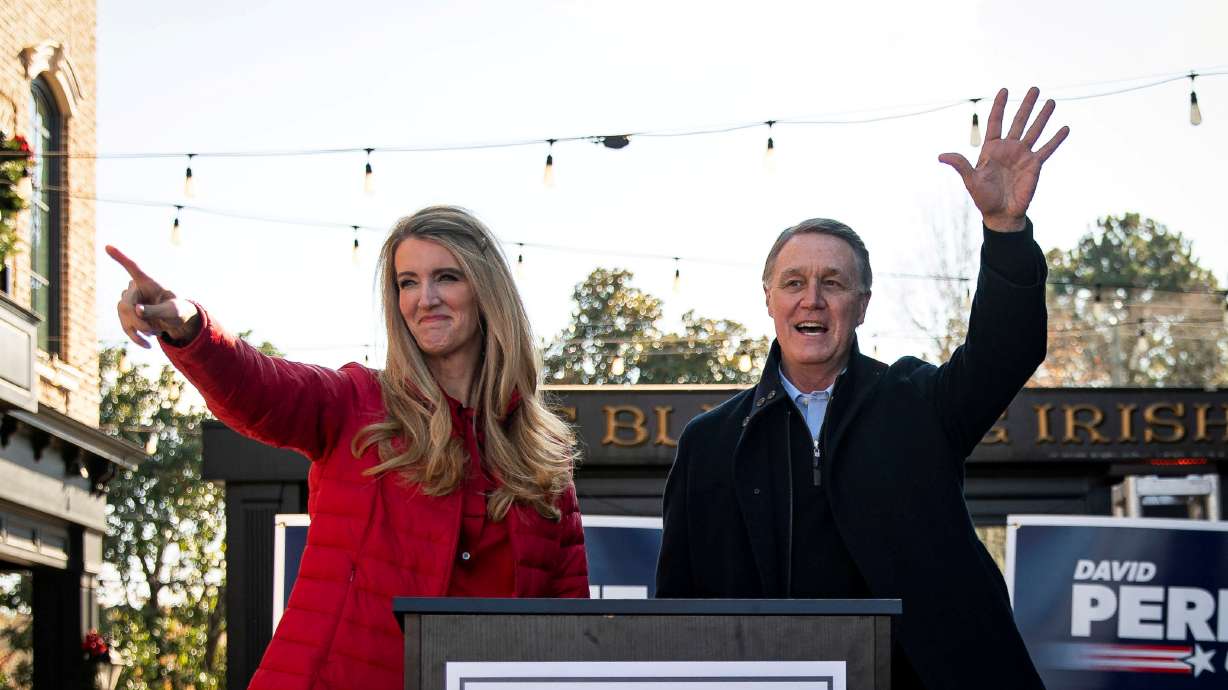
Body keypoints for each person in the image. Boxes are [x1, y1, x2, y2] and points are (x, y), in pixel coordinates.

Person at [655, 87, 1068, 689]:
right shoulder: (709, 443)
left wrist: (1005, 230)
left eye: (833, 283)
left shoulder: (918, 403)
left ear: (863, 304)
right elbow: (677, 616)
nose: (812, 299)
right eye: (793, 282)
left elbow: (1006, 351)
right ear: (768, 299)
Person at [110, 206, 589, 690]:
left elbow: (573, 632)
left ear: (487, 290)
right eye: (407, 282)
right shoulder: (355, 402)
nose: (425, 299)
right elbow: (257, 384)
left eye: (446, 277)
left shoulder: (541, 455)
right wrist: (188, 325)